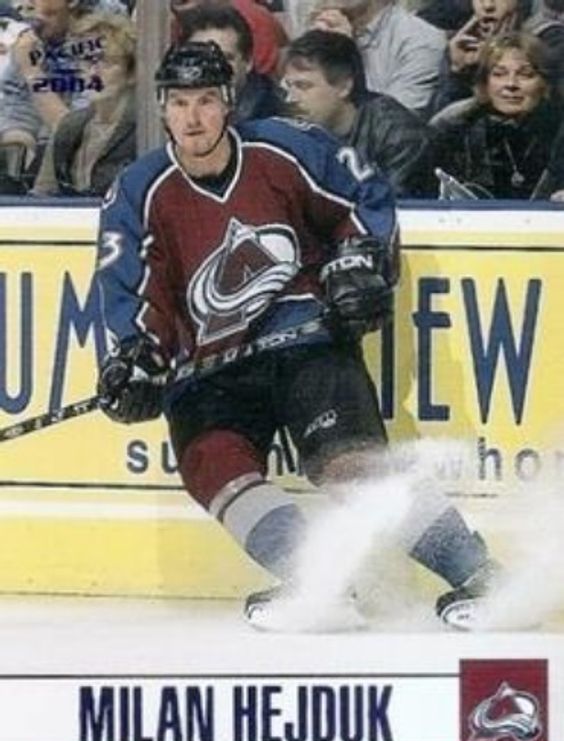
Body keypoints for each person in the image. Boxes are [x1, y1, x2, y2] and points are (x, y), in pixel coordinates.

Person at [96, 41, 500, 632]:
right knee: (213, 467)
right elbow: (133, 289)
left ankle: (479, 573)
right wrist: (137, 356)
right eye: (179, 103)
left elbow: (364, 199)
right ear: (162, 108)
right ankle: (317, 581)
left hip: (307, 343)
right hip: (212, 368)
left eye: (205, 100)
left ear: (228, 101)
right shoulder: (138, 190)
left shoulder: (288, 148)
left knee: (352, 466)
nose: (193, 117)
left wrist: (359, 262)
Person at [282, 28, 434, 197]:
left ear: (344, 87)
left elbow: (391, 207)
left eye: (303, 86)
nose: (290, 99)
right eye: (289, 86)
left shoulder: (398, 135)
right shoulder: (292, 131)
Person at [430, 31, 564, 199]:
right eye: (499, 74)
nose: (511, 84)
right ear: (485, 82)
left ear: (545, 83)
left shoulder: (559, 129)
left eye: (525, 75)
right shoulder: (457, 128)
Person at [32, 11, 136, 195]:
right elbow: (42, 195)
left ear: (131, 73)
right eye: (87, 62)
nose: (93, 73)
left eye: (106, 62)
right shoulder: (69, 126)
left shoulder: (148, 130)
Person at [307, 0, 446, 117]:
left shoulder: (420, 40)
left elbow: (393, 125)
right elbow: (298, 107)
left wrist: (346, 54)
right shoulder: (321, 26)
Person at [177, 3, 284, 122]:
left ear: (248, 62)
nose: (215, 68)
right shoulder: (175, 107)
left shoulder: (273, 119)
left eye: (226, 58)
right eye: (202, 58)